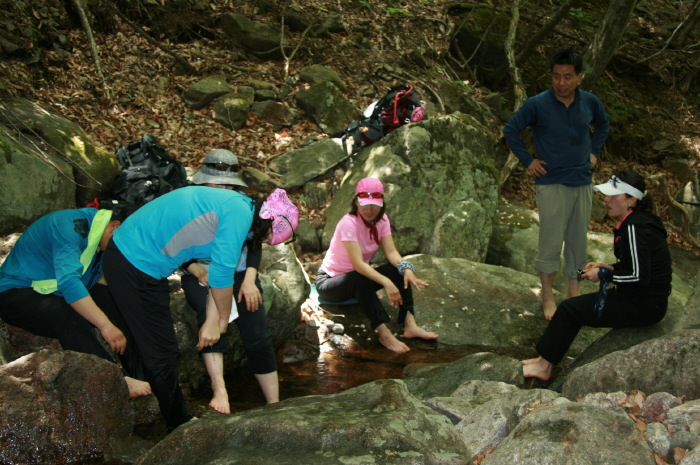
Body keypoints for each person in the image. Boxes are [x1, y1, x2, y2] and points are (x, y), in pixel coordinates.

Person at [102, 185, 298, 432]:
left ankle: (146, 402)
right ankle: (179, 423)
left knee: (150, 342)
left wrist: (213, 321)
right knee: (162, 349)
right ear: (267, 223)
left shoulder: (239, 207)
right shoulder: (238, 214)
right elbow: (221, 276)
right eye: (270, 237)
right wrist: (222, 321)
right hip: (134, 262)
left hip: (138, 261)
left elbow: (216, 272)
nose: (268, 242)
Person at [522, 170, 672, 380]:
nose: (606, 200)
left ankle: (544, 367)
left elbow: (639, 277)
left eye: (613, 196)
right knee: (572, 309)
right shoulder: (636, 221)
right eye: (606, 195)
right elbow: (636, 266)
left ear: (632, 200)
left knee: (569, 310)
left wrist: (603, 275)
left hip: (645, 305)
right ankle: (542, 360)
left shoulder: (636, 228)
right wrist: (608, 267)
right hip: (642, 299)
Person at [181, 149, 296, 413]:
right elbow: (175, 244)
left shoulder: (242, 203)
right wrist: (194, 269)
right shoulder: (191, 203)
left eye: (226, 184)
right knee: (206, 314)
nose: (221, 188)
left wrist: (250, 279)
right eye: (215, 183)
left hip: (240, 271)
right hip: (202, 271)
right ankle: (219, 390)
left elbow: (254, 243)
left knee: (257, 329)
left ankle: (274, 403)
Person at [503, 48, 610, 320]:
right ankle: (548, 296)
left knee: (577, 240)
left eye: (568, 77)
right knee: (550, 241)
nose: (561, 83)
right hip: (551, 182)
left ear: (579, 77)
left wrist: (595, 152)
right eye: (556, 76)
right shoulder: (537, 104)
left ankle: (573, 294)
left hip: (582, 180)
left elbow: (603, 125)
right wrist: (528, 161)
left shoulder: (589, 102)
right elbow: (511, 130)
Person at [0, 206, 151, 398]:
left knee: (115, 303)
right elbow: (69, 282)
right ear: (114, 227)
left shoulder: (100, 239)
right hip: (14, 291)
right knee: (66, 312)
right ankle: (116, 379)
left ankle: (140, 375)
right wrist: (105, 326)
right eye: (123, 244)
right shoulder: (72, 226)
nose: (122, 251)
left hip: (54, 290)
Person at [315, 177, 438, 354]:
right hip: (331, 283)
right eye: (365, 203)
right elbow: (358, 265)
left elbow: (391, 253)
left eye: (374, 204)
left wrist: (406, 268)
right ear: (356, 201)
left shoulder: (382, 221)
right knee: (361, 275)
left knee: (395, 269)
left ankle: (409, 324)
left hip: (357, 280)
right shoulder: (348, 223)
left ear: (381, 203)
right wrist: (387, 283)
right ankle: (383, 332)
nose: (369, 209)